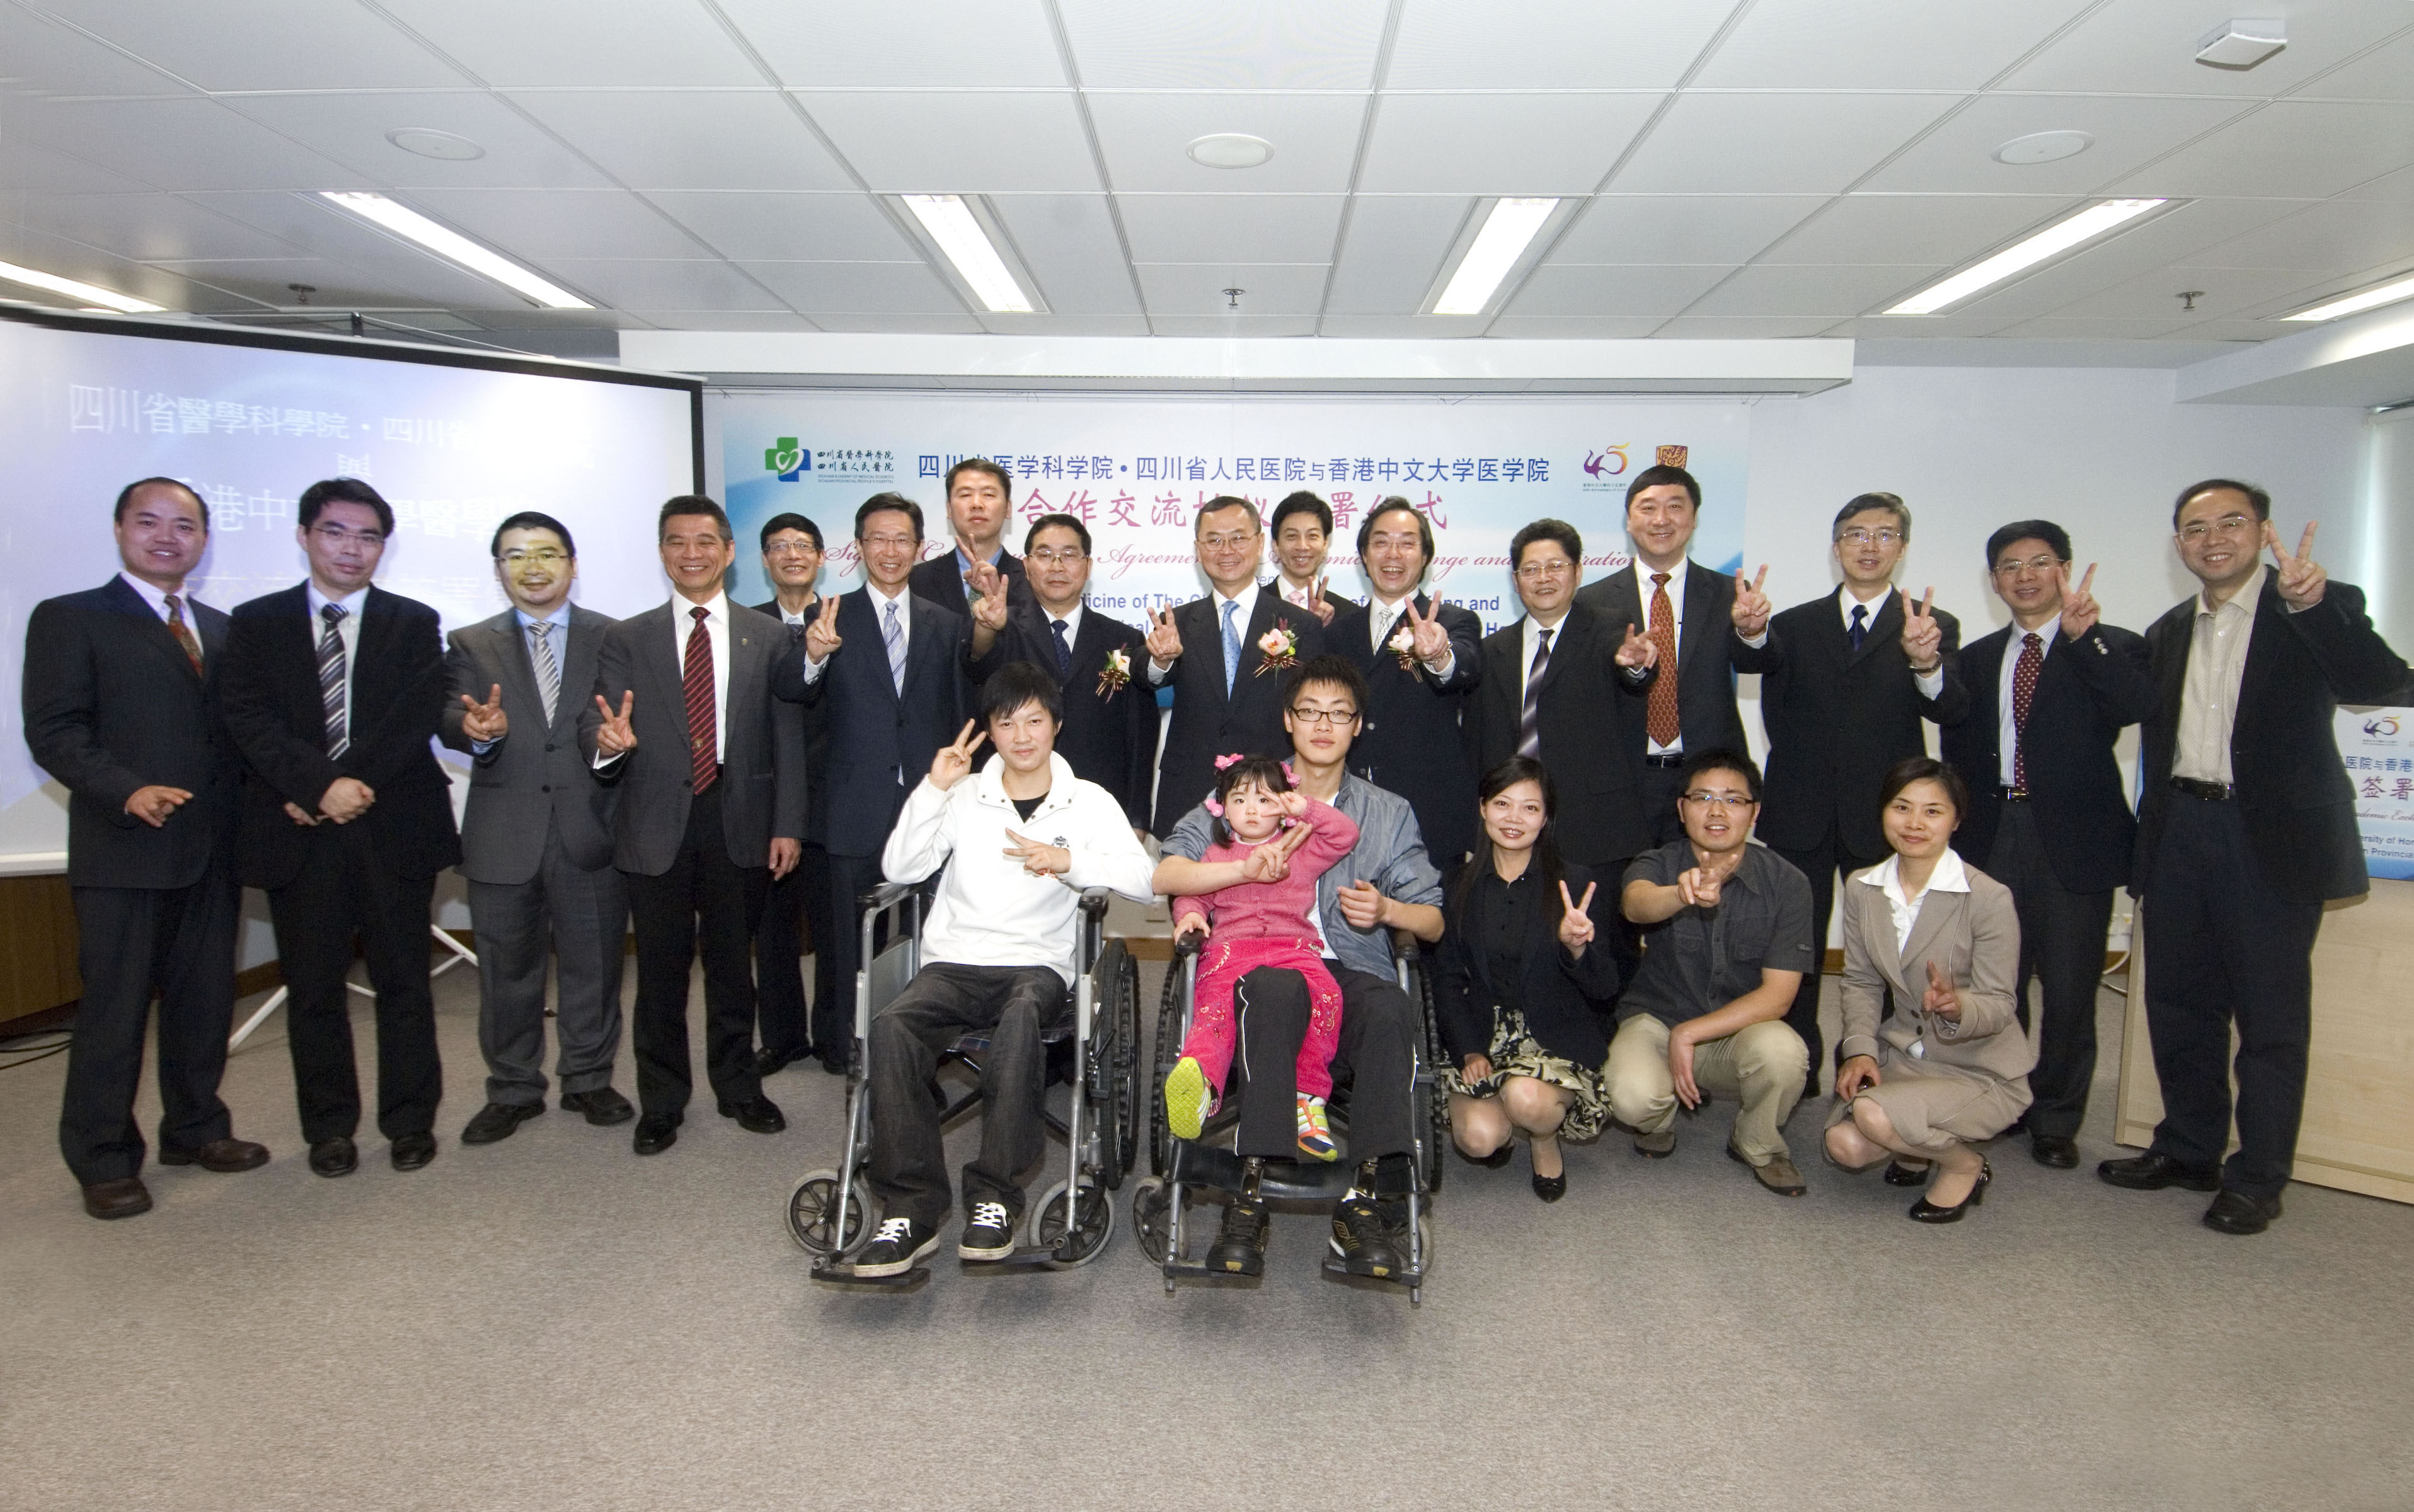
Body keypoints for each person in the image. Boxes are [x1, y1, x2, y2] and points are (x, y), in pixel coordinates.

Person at [2103, 480, 2408, 1235]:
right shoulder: (2171, 628)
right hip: (2181, 831)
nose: (2214, 538)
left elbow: (2383, 684)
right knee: (2177, 1002)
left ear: (2263, 532)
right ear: (2178, 545)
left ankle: (2259, 1176)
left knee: (2270, 1018)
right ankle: (2188, 1147)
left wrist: (2313, 605)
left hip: (2267, 840)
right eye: (2195, 527)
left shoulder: (2315, 608)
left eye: (2231, 523)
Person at [845, 663, 1158, 1278]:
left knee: (1020, 1021)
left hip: (1036, 967)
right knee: (892, 1026)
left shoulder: (1088, 801)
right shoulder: (963, 796)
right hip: (954, 962)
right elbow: (902, 868)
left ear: (1056, 726)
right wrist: (932, 790)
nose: (1021, 736)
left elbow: (1146, 882)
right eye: (1006, 722)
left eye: (1034, 720)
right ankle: (912, 1208)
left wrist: (1069, 861)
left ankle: (994, 1197)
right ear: (990, 731)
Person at [1152, 654, 1444, 1280]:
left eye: (1339, 715)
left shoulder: (1387, 812)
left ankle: (1366, 1202)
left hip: (1347, 970)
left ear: (1358, 727)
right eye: (1309, 711)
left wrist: (1388, 908)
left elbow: (1433, 920)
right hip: (1253, 969)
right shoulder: (1241, 793)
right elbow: (1169, 871)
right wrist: (1237, 872)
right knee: (1276, 989)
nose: (1322, 725)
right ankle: (1247, 1198)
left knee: (1392, 1004)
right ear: (1288, 720)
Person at [23, 478, 263, 1218]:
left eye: (185, 525)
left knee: (202, 1005)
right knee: (115, 1014)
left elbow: (240, 740)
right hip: (125, 849)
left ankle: (195, 1129)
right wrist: (125, 789)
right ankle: (102, 1158)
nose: (168, 536)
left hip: (211, 853)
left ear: (204, 538)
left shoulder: (222, 629)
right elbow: (56, 730)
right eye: (150, 522)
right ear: (121, 528)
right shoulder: (72, 617)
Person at [218, 477, 461, 1177]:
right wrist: (316, 786)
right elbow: (246, 718)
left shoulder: (413, 621)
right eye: (335, 531)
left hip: (394, 828)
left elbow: (413, 717)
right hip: (300, 832)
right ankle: (329, 1129)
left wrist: (348, 785)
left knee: (405, 984)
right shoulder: (255, 622)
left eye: (368, 536)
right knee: (314, 989)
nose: (351, 548)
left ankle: (409, 1121)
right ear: (304, 536)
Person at [583, 495, 806, 1156]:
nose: (692, 553)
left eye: (706, 541)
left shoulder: (766, 636)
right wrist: (610, 743)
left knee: (735, 968)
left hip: (740, 818)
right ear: (662, 552)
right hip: (655, 825)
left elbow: (786, 736)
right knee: (660, 973)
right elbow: (596, 724)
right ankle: (662, 1102)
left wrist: (788, 823)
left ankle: (739, 1088)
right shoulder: (626, 637)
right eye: (677, 542)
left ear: (730, 552)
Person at [1730, 493, 1970, 1099]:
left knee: (1888, 955)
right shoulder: (1794, 623)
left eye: (1884, 535)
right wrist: (1752, 632)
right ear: (1836, 547)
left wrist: (1925, 663)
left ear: (1902, 548)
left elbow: (1949, 707)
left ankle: (1878, 1063)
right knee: (1796, 946)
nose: (1869, 546)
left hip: (1888, 820)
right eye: (1856, 535)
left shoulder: (1928, 626)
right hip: (1801, 809)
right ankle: (1796, 1064)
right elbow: (1762, 683)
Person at [1939, 520, 2153, 1169]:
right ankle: (2007, 1099)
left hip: (2074, 841)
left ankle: (2057, 1118)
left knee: (2068, 989)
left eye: (2040, 563)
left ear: (2065, 570)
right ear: (1994, 580)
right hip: (1993, 832)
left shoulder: (2114, 646)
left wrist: (2085, 642)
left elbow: (2134, 705)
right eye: (2010, 566)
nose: (2025, 577)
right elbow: (1947, 726)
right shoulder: (1975, 659)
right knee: (1997, 985)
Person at [776, 492, 1000, 1074]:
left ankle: (915, 1047)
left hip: (927, 808)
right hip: (849, 808)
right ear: (858, 548)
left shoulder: (946, 622)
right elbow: (795, 695)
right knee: (845, 943)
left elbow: (969, 693)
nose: (891, 551)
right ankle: (844, 1045)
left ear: (920, 547)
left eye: (903, 539)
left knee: (929, 937)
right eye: (878, 539)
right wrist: (814, 657)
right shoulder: (825, 617)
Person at [439, 510, 631, 1145]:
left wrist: (611, 746)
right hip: (503, 834)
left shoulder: (611, 637)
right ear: (499, 570)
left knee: (594, 967)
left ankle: (588, 1078)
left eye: (547, 554)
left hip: (588, 827)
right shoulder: (470, 642)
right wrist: (475, 732)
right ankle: (514, 1088)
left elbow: (612, 723)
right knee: (505, 971)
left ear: (573, 564)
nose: (533, 568)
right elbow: (449, 714)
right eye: (516, 556)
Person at [1824, 759, 2033, 1223]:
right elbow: (1859, 981)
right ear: (1883, 812)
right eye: (1902, 808)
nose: (1914, 823)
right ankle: (1917, 1147)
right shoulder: (1862, 887)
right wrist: (1859, 1051)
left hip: (1976, 1065)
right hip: (1904, 1057)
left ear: (1956, 821)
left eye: (1932, 812)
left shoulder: (1988, 897)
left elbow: (2000, 1002)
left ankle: (1964, 1165)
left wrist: (1959, 1005)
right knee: (1844, 1146)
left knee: (1874, 1118)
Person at [1612, 748, 1816, 1197]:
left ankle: (1756, 1141)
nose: (1717, 810)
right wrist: (1679, 896)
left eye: (1732, 799)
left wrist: (1690, 1034)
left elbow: (1778, 996)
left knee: (1785, 1056)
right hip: (1657, 1021)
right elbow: (1635, 904)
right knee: (1631, 1097)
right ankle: (1659, 1117)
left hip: (1736, 1030)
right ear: (1682, 809)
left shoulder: (1788, 883)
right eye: (1702, 797)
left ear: (1754, 812)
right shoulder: (1657, 862)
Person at [1435, 757, 1620, 1203]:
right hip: (1482, 1031)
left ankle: (1541, 1137)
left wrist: (1576, 947)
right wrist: (1467, 1048)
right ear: (1482, 808)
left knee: (1527, 1102)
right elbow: (1445, 978)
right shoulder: (1456, 883)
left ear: (1546, 817)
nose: (1514, 819)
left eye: (1530, 808)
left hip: (1550, 1033)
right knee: (1478, 1139)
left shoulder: (1575, 883)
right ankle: (1498, 1120)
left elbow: (1606, 988)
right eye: (1502, 804)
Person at [1164, 755, 1362, 1162]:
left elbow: (1345, 835)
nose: (1252, 809)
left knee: (1326, 997)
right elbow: (1191, 893)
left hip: (1294, 950)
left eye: (1265, 799)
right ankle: (1200, 1083)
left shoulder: (1302, 848)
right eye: (1239, 800)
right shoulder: (1216, 856)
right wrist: (1192, 915)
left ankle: (1307, 1101)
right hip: (1229, 950)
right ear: (1221, 808)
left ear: (1284, 803)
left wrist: (1304, 808)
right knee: (1214, 1011)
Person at [1573, 464, 1756, 846]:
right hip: (1624, 780)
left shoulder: (1730, 594)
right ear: (1628, 521)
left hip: (1706, 782)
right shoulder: (1591, 602)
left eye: (1674, 507)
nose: (1661, 520)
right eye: (1647, 508)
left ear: (1693, 519)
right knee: (1626, 898)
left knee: (1702, 898)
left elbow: (1759, 664)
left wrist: (1752, 631)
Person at [1471, 518, 1659, 888]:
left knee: (1598, 942)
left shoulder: (1610, 630)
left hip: (1594, 832)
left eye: (1556, 566)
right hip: (1510, 832)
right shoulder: (1494, 649)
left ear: (1578, 571)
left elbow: (1632, 673)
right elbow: (1481, 741)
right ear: (1515, 580)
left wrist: (1634, 666)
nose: (1544, 578)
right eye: (1531, 569)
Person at [1144, 495, 1330, 836]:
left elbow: (1313, 714)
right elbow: (1151, 680)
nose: (1226, 550)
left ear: (1260, 544)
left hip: (1272, 800)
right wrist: (1160, 659)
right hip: (1189, 799)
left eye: (1238, 538)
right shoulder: (1177, 623)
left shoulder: (1301, 626)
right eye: (1214, 540)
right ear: (1198, 550)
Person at [1328, 499, 1483, 875]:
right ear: (1364, 556)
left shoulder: (1454, 621)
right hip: (1347, 819)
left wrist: (1437, 655)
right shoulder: (1337, 633)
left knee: (1432, 929)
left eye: (1407, 543)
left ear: (1426, 555)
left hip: (1428, 817)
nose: (1393, 554)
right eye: (1380, 543)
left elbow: (1465, 667)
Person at [994, 513, 1157, 832]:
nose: (1057, 566)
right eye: (1044, 555)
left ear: (1088, 566)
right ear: (1026, 566)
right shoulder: (1001, 631)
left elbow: (1140, 735)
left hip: (1101, 806)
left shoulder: (1122, 640)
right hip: (1016, 804)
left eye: (1069, 555)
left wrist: (1136, 818)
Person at [750, 512, 832, 1078]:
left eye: (803, 545)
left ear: (822, 557)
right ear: (763, 560)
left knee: (833, 928)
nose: (793, 555)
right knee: (772, 929)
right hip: (764, 799)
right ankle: (781, 1038)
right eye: (779, 546)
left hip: (830, 797)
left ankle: (831, 1036)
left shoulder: (842, 620)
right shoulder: (745, 626)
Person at [907, 457, 1028, 616]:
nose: (977, 504)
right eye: (965, 495)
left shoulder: (1030, 578)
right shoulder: (916, 579)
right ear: (949, 509)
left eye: (989, 495)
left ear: (1008, 509)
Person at [1268, 490, 1349, 624]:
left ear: (1325, 544)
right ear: (1276, 545)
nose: (1302, 546)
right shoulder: (1252, 606)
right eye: (1292, 536)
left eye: (1312, 536)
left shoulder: (1347, 614)